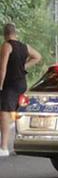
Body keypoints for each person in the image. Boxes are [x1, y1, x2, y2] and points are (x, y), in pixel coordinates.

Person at [0, 23, 41, 157]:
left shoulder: (7, 46)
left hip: (10, 84)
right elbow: (38, 56)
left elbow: (3, 68)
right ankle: (20, 143)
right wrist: (24, 66)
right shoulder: (25, 47)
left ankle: (4, 147)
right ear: (15, 32)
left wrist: (0, 85)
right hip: (22, 84)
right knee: (17, 112)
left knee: (4, 112)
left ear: (5, 34)